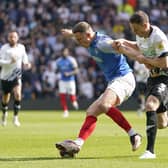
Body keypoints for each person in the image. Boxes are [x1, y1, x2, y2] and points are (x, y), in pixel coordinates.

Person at [55, 21, 141, 157]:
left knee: (105, 105)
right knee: (91, 111)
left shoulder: (103, 43)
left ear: (88, 35)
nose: (78, 42)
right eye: (76, 39)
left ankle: (134, 134)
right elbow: (81, 34)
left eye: (79, 39)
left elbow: (114, 45)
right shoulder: (89, 38)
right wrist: (71, 34)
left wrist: (124, 48)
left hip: (124, 79)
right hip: (114, 81)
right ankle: (77, 144)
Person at [115, 10, 168, 159]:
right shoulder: (142, 35)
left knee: (150, 105)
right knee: (162, 124)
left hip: (165, 77)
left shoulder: (158, 38)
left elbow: (165, 63)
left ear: (145, 25)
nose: (135, 33)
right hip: (153, 78)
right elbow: (139, 47)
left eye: (137, 30)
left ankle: (150, 151)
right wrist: (124, 42)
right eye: (133, 30)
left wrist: (144, 60)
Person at [0, 30, 31, 127]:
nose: (12, 38)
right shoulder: (4, 48)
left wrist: (26, 63)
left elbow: (24, 57)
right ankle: (4, 115)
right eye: (10, 37)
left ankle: (15, 118)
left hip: (17, 74)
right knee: (6, 98)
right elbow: (0, 61)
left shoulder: (21, 47)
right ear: (8, 38)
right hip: (5, 76)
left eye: (14, 37)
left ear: (17, 38)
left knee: (18, 95)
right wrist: (9, 61)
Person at [55, 48, 79, 117]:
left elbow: (76, 70)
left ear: (68, 52)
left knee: (72, 96)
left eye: (65, 52)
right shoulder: (58, 61)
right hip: (62, 81)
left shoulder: (71, 60)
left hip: (70, 80)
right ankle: (65, 111)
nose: (64, 53)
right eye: (62, 52)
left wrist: (69, 73)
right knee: (62, 96)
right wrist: (57, 72)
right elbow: (56, 70)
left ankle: (74, 101)